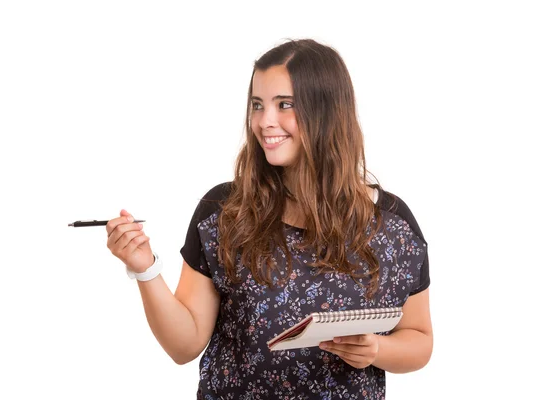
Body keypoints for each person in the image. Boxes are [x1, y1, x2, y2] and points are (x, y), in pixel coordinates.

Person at [106, 38, 432, 399]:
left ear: (326, 111)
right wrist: (146, 269)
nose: (264, 122)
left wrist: (377, 350)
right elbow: (184, 346)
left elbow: (419, 339)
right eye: (257, 105)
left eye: (285, 105)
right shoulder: (225, 212)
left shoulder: (392, 225)